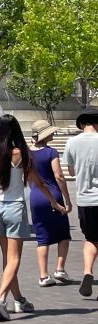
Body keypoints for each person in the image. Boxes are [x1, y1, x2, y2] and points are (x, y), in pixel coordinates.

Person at [0, 114, 69, 321]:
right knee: (14, 259)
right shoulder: (22, 154)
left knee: (7, 259)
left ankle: (19, 299)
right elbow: (38, 182)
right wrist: (55, 203)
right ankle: (0, 298)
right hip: (14, 208)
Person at [29, 118, 72, 286]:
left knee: (42, 237)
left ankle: (43, 275)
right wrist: (67, 199)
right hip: (53, 195)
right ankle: (60, 269)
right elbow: (59, 176)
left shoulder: (27, 152)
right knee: (63, 234)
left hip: (35, 196)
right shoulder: (51, 152)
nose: (53, 133)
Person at [63, 109, 98, 298]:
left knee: (91, 239)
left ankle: (87, 271)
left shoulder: (72, 142)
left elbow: (71, 171)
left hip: (86, 199)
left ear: (82, 124)